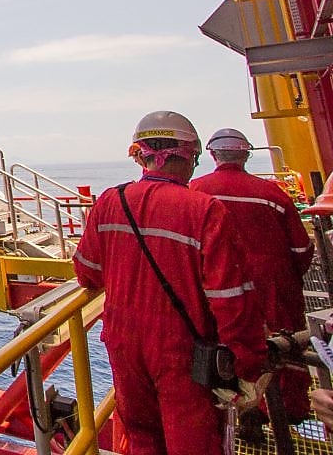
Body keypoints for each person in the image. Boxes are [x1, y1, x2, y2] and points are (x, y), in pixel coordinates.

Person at [72, 111, 267, 454]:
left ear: (140, 156)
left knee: (142, 436)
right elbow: (231, 298)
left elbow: (87, 271)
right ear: (189, 157)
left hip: (123, 343)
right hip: (184, 351)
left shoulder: (109, 202)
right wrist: (247, 363)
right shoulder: (203, 210)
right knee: (193, 441)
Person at [190, 127, 314, 430]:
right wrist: (288, 275)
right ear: (246, 154)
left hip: (219, 284)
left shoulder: (195, 191)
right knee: (287, 344)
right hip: (274, 283)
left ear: (213, 155)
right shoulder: (272, 193)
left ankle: (245, 411)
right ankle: (293, 410)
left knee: (227, 344)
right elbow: (301, 248)